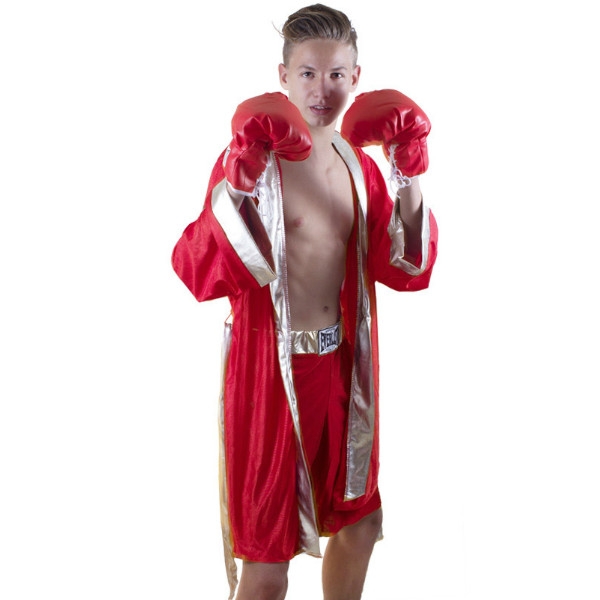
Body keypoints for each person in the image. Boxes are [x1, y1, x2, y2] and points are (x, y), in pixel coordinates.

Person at [172, 4, 438, 599]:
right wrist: (238, 183)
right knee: (268, 568)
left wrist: (409, 174)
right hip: (270, 376)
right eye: (309, 74)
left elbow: (405, 268)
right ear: (283, 77)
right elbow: (196, 270)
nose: (323, 90)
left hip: (344, 371)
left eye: (337, 75)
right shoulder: (255, 160)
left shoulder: (357, 164)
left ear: (356, 77)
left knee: (361, 521)